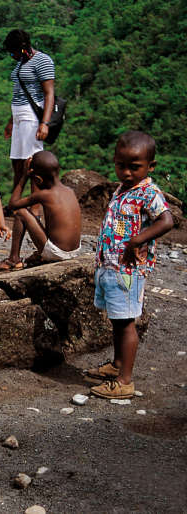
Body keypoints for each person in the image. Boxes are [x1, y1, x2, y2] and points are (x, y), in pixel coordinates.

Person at [85, 131, 173, 399]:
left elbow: (166, 221)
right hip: (111, 266)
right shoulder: (123, 189)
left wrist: (137, 240)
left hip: (128, 271)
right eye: (120, 165)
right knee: (117, 320)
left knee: (125, 324)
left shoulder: (149, 192)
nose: (126, 172)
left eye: (134, 167)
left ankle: (124, 381)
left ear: (150, 166)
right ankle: (117, 365)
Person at [0, 150, 81, 272]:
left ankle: (13, 259)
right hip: (75, 251)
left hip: (58, 253)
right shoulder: (70, 191)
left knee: (21, 213)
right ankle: (41, 255)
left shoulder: (45, 195)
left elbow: (13, 205)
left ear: (38, 180)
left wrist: (24, 177)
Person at [3, 29, 55, 213]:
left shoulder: (42, 60)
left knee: (32, 162)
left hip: (31, 116)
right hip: (18, 115)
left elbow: (49, 93)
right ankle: (15, 204)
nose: (12, 56)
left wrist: (44, 123)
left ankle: (35, 208)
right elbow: (18, 92)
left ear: (24, 47)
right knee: (17, 162)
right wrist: (11, 121)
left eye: (14, 52)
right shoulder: (21, 62)